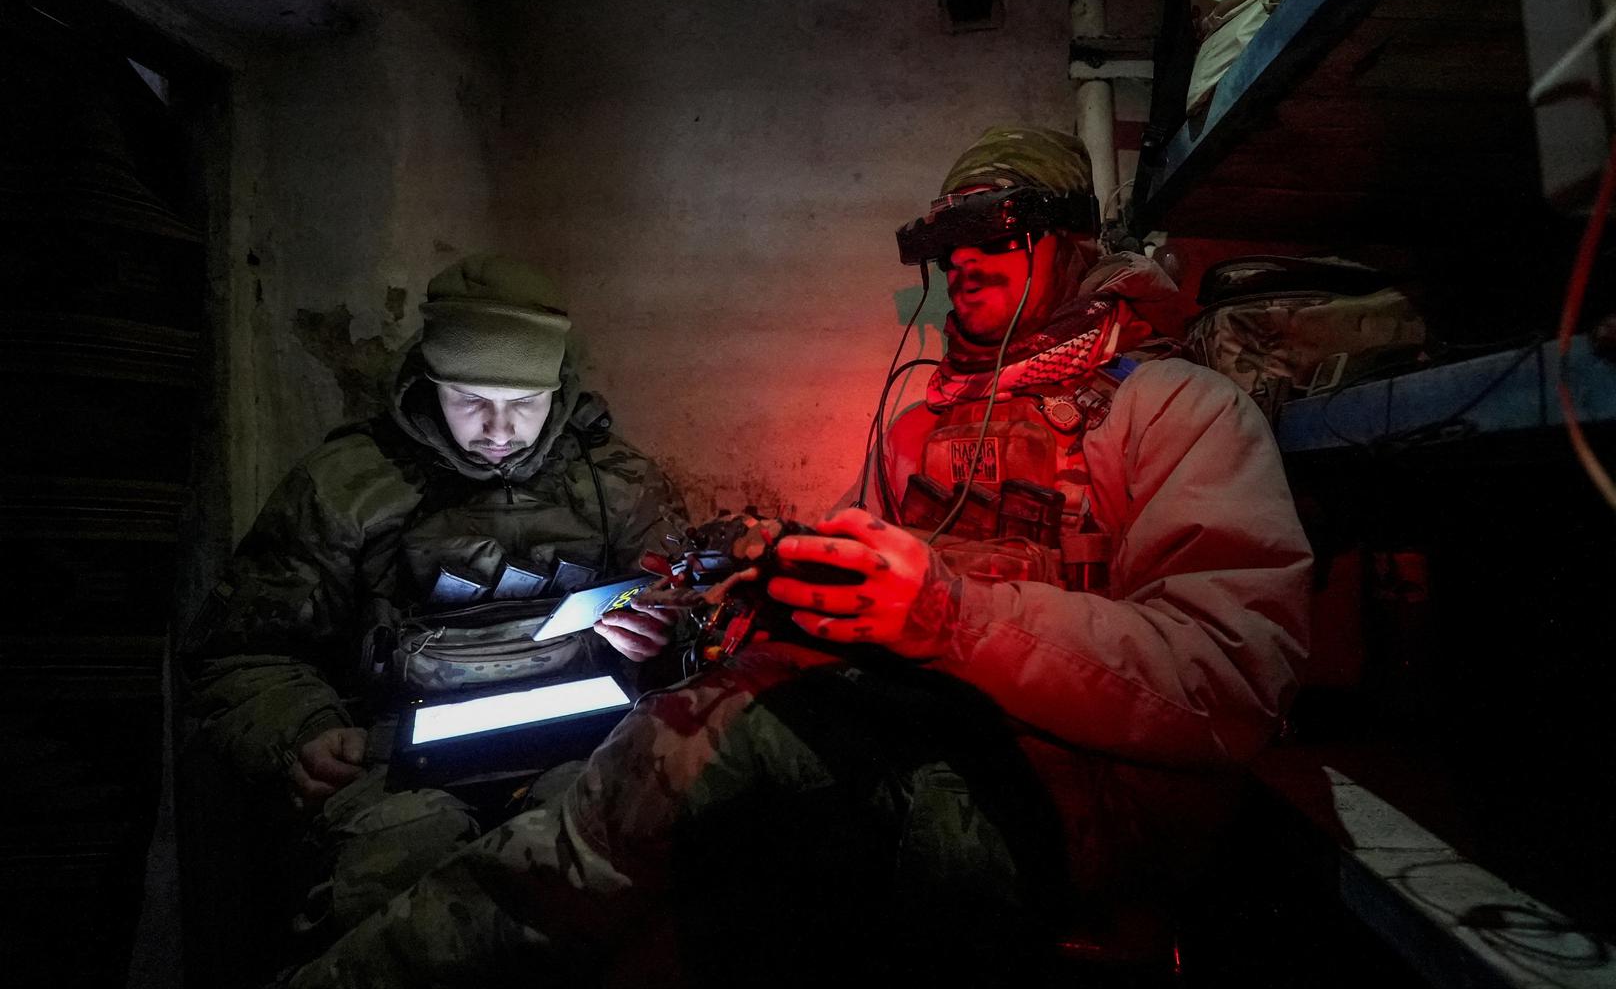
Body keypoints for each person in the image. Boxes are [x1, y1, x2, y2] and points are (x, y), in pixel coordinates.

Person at [280, 129, 1311, 987]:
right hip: (903, 739)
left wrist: (949, 618)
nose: (958, 260)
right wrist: (751, 600)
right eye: (938, 238)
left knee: (704, 814)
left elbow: (1231, 677)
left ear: (1073, 240)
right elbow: (857, 590)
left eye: (990, 231)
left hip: (1076, 791)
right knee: (645, 794)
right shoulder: (918, 417)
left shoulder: (1174, 412)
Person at [179, 254, 685, 968]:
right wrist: (305, 730)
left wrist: (660, 634)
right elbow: (242, 651)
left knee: (598, 855)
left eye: (527, 402)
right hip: (394, 761)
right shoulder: (349, 488)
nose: (500, 429)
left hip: (579, 740)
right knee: (402, 872)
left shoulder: (616, 484)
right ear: (428, 382)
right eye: (472, 398)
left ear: (560, 390)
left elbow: (697, 632)